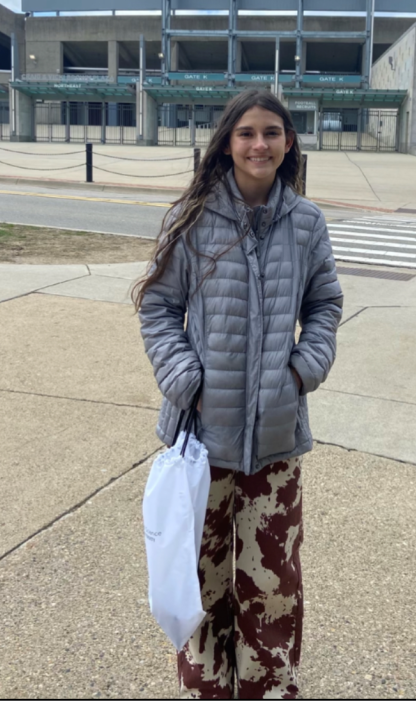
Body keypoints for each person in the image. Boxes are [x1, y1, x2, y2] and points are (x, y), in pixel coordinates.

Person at [134, 88, 343, 700]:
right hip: (202, 443)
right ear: (227, 141)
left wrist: (304, 369)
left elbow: (325, 303)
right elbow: (159, 308)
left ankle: (268, 691)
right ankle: (207, 691)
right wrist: (184, 380)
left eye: (271, 132)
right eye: (247, 132)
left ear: (289, 141)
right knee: (201, 585)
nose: (259, 144)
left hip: (277, 442)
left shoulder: (305, 223)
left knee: (273, 582)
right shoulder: (192, 218)